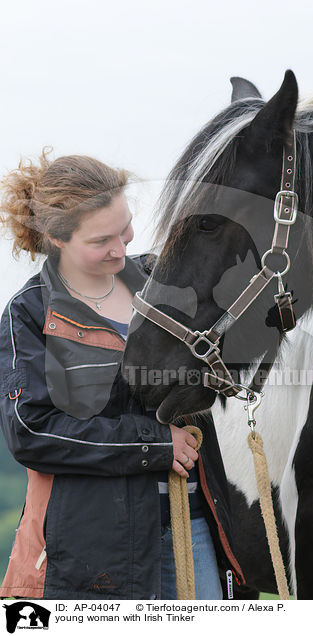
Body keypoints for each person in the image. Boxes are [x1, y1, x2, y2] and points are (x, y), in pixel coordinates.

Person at [0, 148, 244, 600]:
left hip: (197, 525)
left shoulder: (165, 281)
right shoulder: (30, 312)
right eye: (100, 241)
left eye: (125, 228)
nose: (121, 248)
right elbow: (31, 430)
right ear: (58, 239)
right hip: (97, 548)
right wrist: (151, 445)